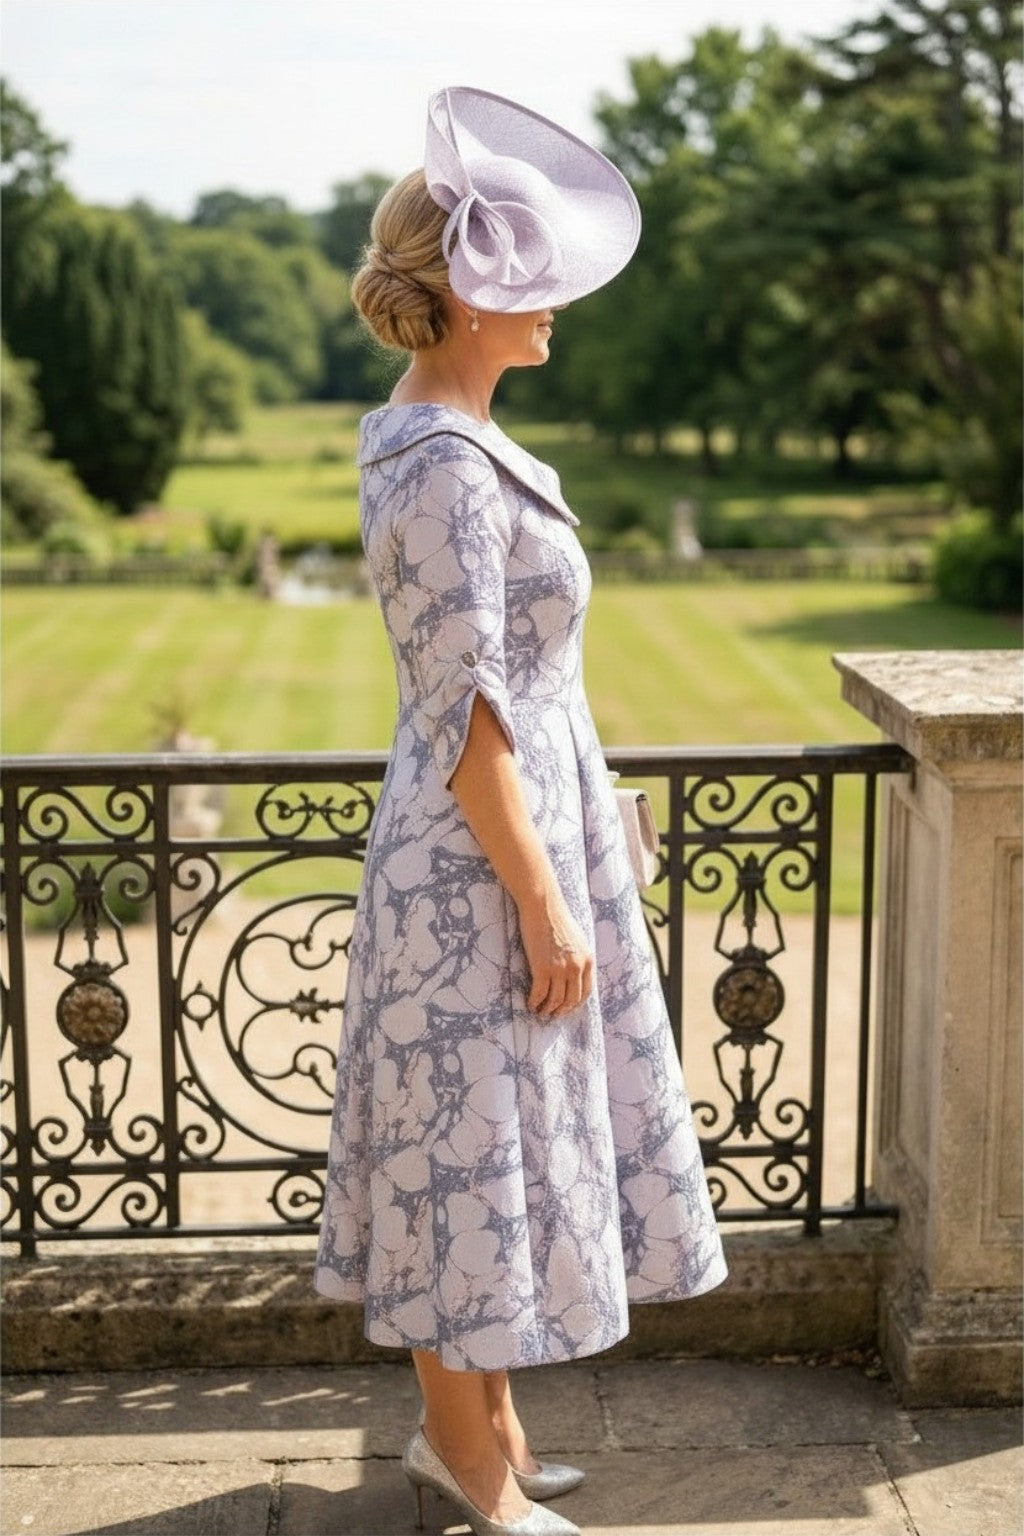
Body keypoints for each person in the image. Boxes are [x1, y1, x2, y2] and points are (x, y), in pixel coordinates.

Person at [314, 86, 728, 1536]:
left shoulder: (454, 448)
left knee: (489, 1140)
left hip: (513, 845)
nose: (556, 300)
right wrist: (545, 901)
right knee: (462, 1153)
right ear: (478, 295)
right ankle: (468, 1471)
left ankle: (488, 1433)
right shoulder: (436, 469)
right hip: (475, 873)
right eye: (534, 275)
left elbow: (516, 695)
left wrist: (583, 844)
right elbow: (468, 716)